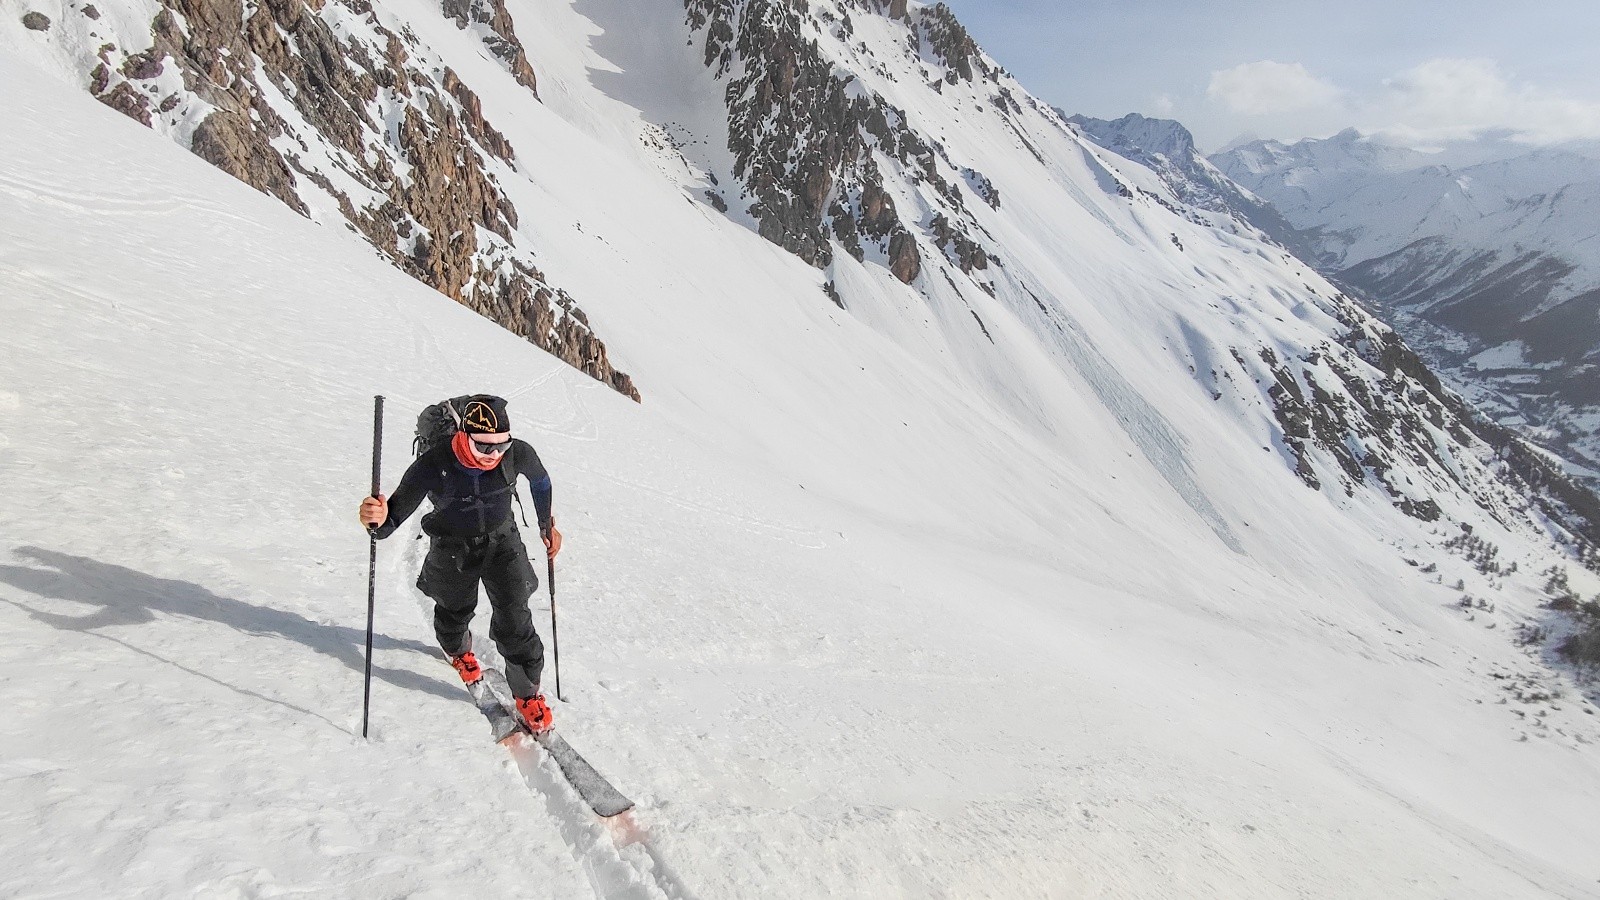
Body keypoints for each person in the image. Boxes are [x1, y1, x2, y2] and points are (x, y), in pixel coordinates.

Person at [358, 395, 563, 731]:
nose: (494, 456)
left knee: (515, 614)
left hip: (503, 542)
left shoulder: (517, 453)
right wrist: (375, 517)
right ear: (465, 435)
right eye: (484, 448)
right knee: (454, 608)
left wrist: (547, 525)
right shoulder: (434, 463)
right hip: (452, 544)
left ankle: (527, 694)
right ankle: (458, 650)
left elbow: (541, 481)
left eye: (501, 446)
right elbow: (388, 523)